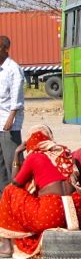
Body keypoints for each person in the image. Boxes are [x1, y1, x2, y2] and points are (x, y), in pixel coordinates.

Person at [0, 124, 81, 258]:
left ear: (30, 142)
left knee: (9, 190)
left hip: (50, 213)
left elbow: (16, 182)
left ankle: (6, 244)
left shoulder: (34, 157)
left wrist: (17, 154)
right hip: (77, 213)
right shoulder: (64, 152)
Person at [0, 36, 24, 194]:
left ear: (6, 49)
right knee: (1, 166)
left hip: (9, 125)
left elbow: (17, 99)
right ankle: (4, 201)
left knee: (12, 164)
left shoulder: (13, 69)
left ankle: (17, 199)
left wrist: (11, 118)